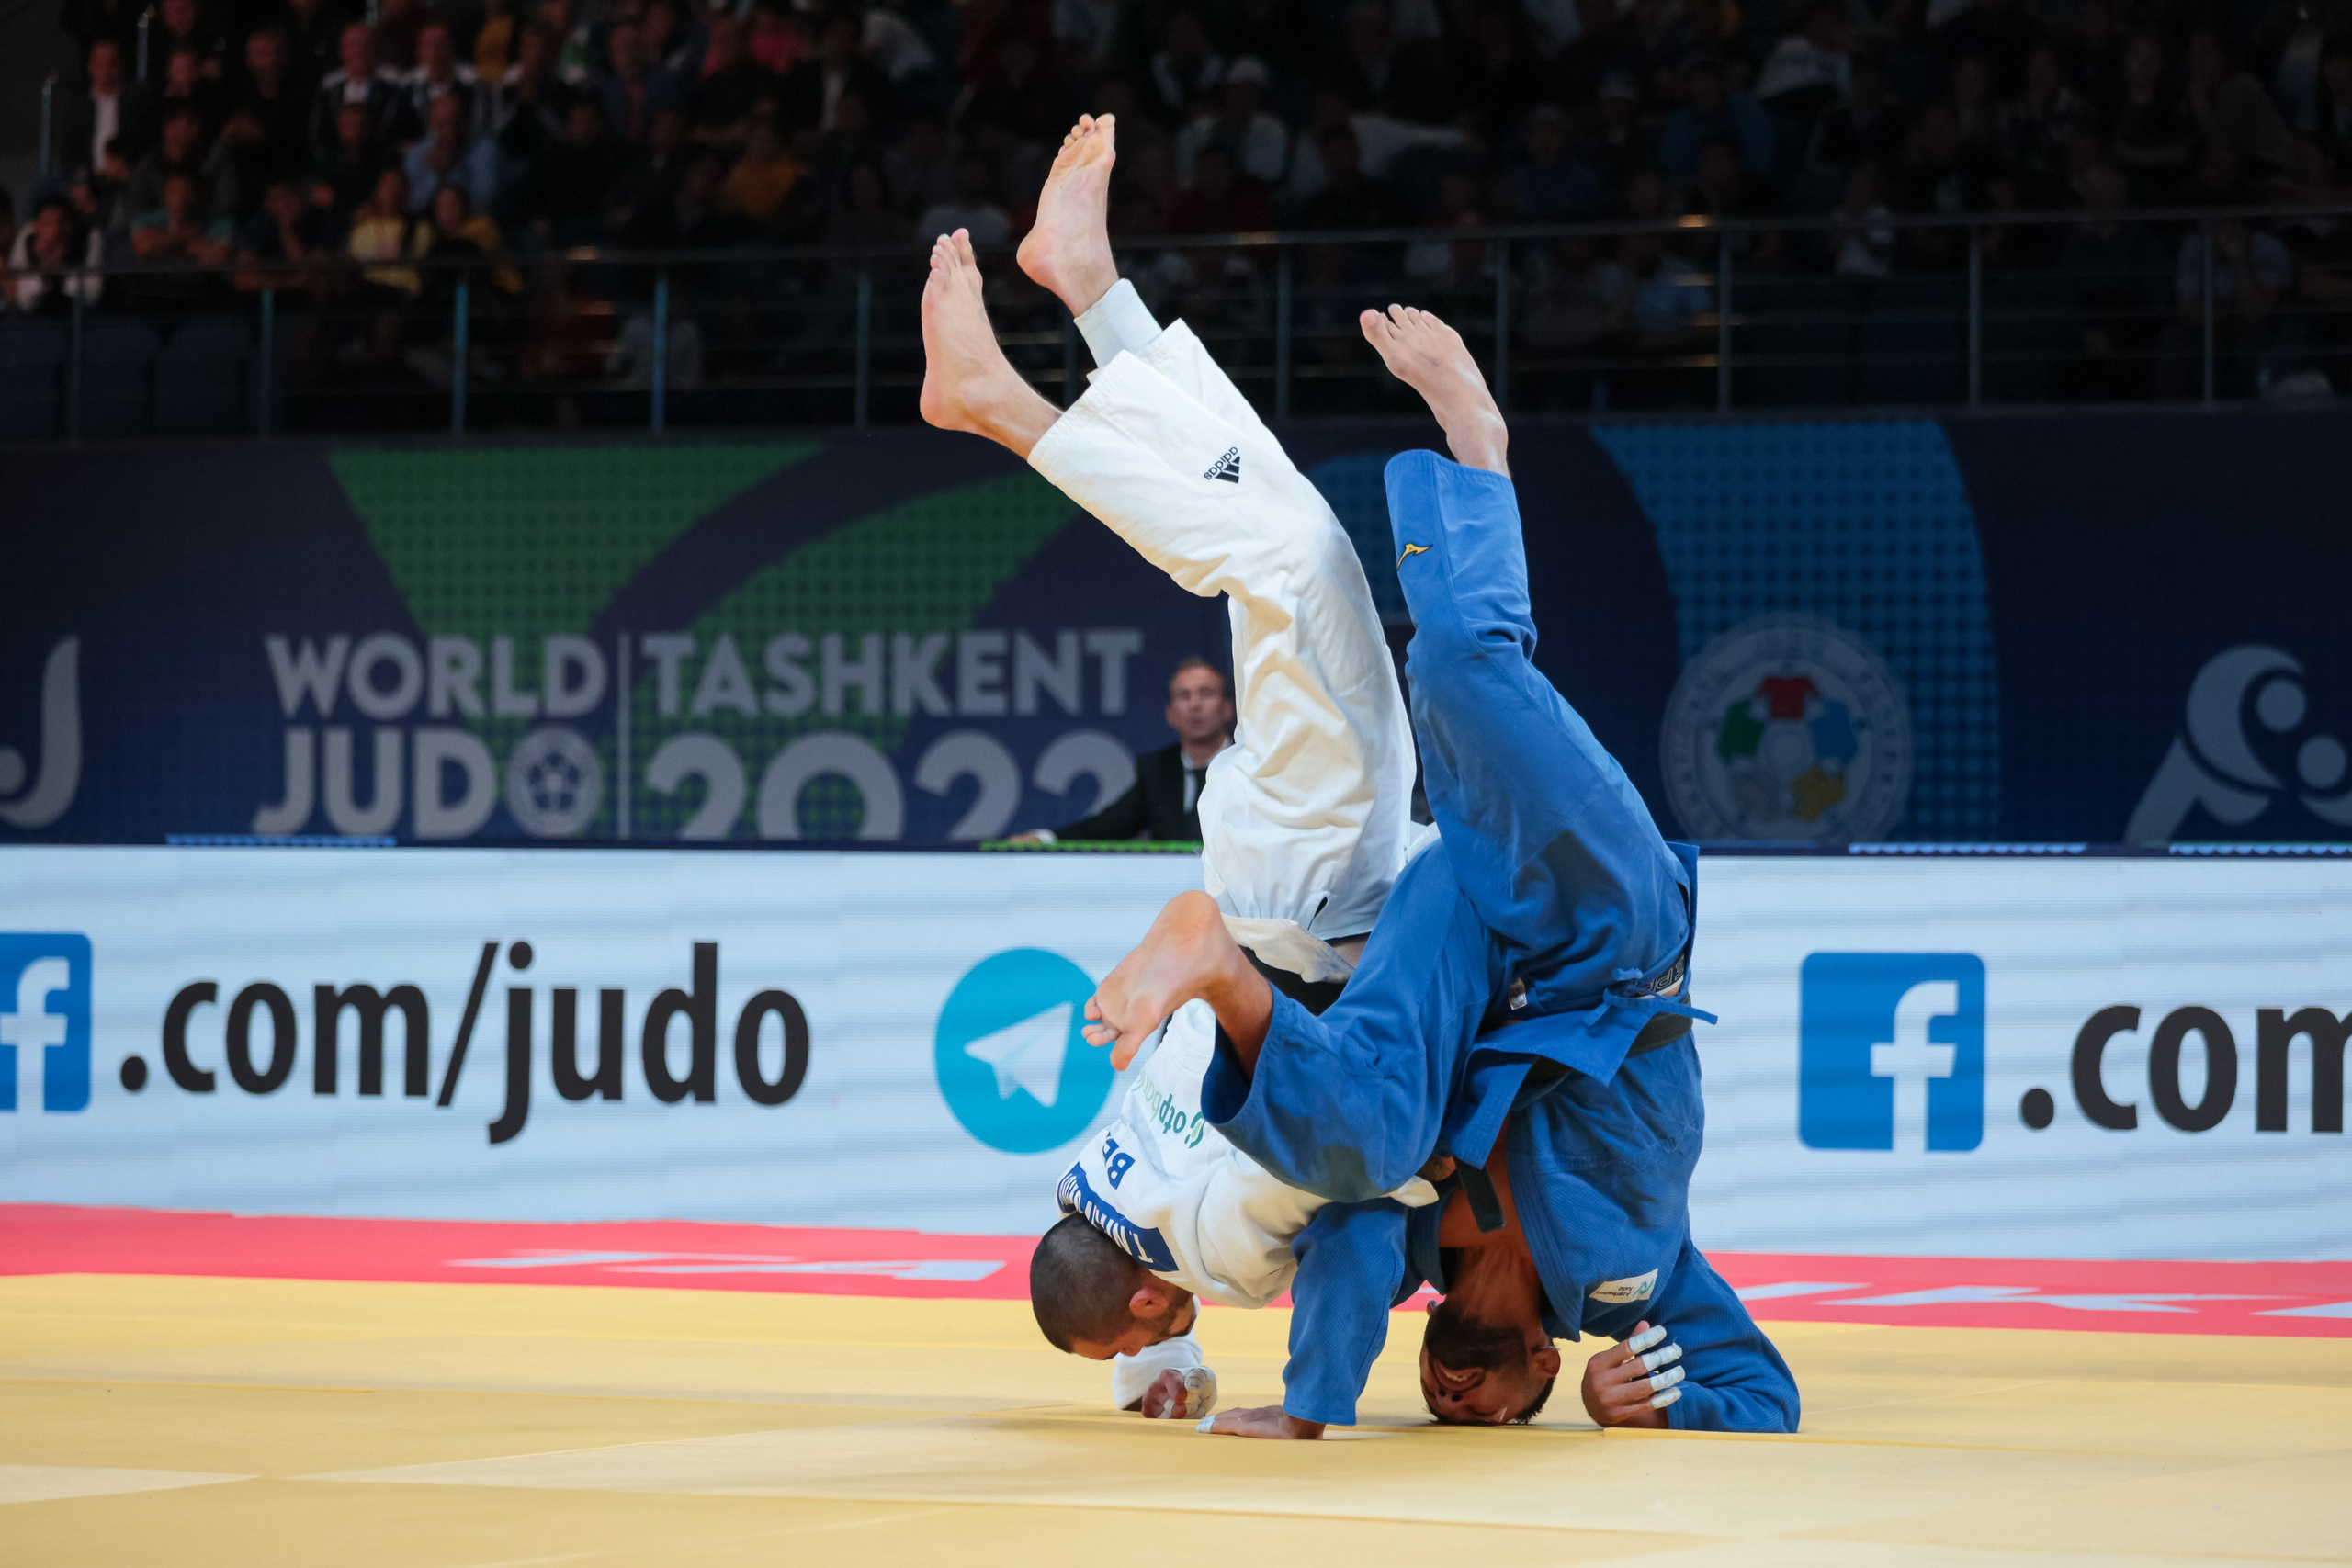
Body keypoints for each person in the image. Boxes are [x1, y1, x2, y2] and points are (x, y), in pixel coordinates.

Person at [1078, 305, 1797, 1440]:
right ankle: (1478, 438)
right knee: (1459, 670)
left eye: (1430, 1401)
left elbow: (1350, 1251)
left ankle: (1221, 971)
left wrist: (1315, 1407)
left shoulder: (1417, 1233)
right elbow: (1770, 1397)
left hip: (1456, 934)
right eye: (1485, 1411)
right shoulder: (1639, 1283)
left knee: (1361, 1147)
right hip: (1607, 943)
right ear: (1544, 1380)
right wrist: (1668, 1408)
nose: (1450, 1396)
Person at [920, 114, 1424, 1417]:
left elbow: (1350, 1218)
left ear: (1152, 1293)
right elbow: (1090, 1262)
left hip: (1313, 901)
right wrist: (1153, 1353)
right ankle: (1091, 291)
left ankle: (1004, 408)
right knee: (1294, 531)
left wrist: (1285, 1389)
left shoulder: (1205, 1253)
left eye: (1142, 1324)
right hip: (1268, 865)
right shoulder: (1092, 1181)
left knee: (1290, 564)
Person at [1014, 659, 1235, 843]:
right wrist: (1044, 838)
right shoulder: (1157, 769)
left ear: (1228, 708)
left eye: (1206, 693)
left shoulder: (1252, 764)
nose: (1194, 705)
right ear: (1170, 715)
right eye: (1183, 696)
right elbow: (1108, 826)